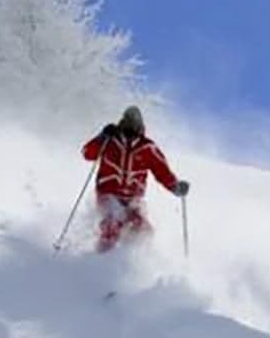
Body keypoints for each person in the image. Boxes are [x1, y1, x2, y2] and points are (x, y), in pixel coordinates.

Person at [81, 106, 190, 253]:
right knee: (112, 223)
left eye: (135, 125)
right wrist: (101, 137)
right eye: (127, 124)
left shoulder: (147, 148)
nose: (131, 129)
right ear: (122, 123)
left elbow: (162, 172)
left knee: (142, 229)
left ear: (141, 126)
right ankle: (100, 260)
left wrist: (175, 186)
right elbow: (88, 154)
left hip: (132, 200)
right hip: (108, 194)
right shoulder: (111, 140)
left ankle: (133, 262)